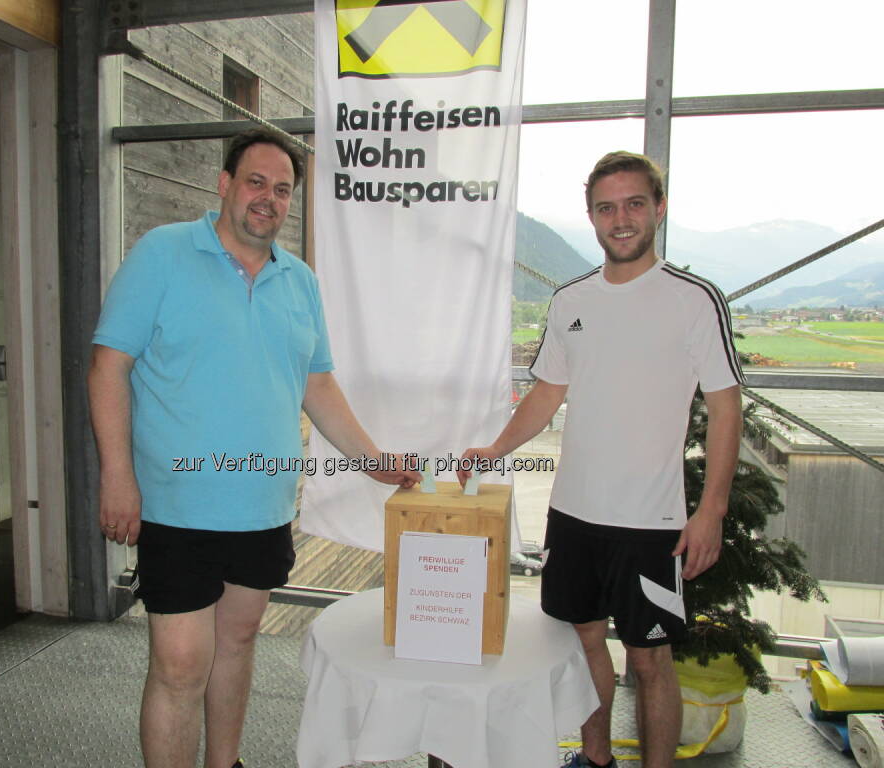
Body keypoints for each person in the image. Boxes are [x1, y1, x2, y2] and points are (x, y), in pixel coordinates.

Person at [88, 128, 420, 768]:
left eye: (283, 189)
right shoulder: (162, 254)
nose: (268, 198)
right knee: (181, 666)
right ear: (225, 185)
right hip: (176, 505)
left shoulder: (299, 282)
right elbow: (108, 367)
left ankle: (226, 762)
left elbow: (316, 383)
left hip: (263, 506)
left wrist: (374, 462)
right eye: (256, 182)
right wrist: (116, 477)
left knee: (237, 642)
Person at [459, 151, 743, 768]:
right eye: (606, 207)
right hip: (575, 515)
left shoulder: (695, 299)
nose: (621, 219)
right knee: (585, 645)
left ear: (658, 209)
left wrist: (710, 511)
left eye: (634, 204)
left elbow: (726, 407)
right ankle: (595, 760)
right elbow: (547, 393)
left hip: (653, 525)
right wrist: (495, 449)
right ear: (591, 216)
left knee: (649, 660)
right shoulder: (570, 302)